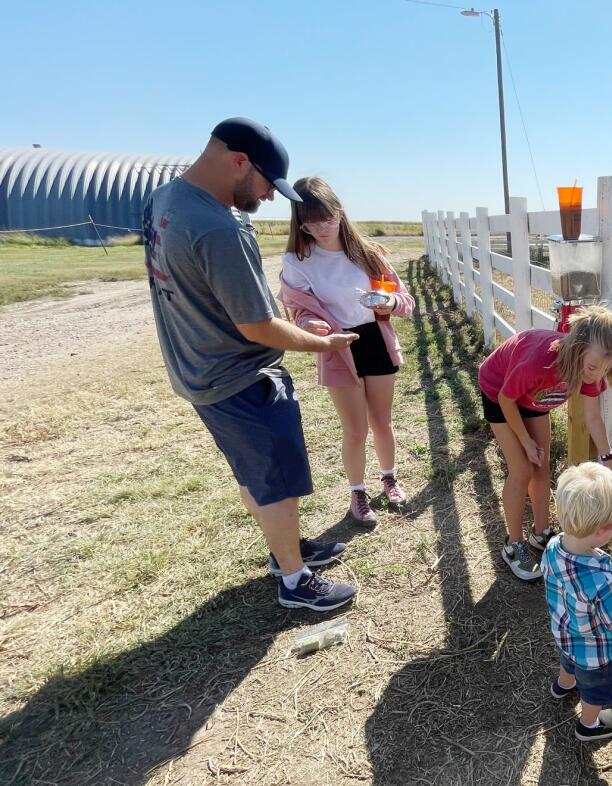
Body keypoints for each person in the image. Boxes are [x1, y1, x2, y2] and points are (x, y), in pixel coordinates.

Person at [143, 117, 358, 612]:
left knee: (254, 473)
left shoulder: (164, 201)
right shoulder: (217, 226)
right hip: (241, 375)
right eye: (266, 185)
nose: (267, 199)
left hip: (199, 370)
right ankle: (294, 579)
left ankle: (286, 552)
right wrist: (321, 344)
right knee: (275, 478)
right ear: (239, 162)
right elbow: (257, 326)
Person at [278, 176, 415, 525]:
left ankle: (389, 479)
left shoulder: (369, 255)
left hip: (375, 340)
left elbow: (405, 303)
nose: (320, 228)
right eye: (310, 222)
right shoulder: (297, 260)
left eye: (326, 218)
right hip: (338, 347)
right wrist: (308, 325)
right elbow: (298, 310)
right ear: (300, 223)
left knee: (382, 421)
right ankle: (357, 492)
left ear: (340, 213)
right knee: (355, 429)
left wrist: (386, 301)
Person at [476, 306, 612, 581]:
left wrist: (609, 460)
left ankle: (540, 532)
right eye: (593, 366)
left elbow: (592, 418)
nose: (597, 374)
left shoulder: (589, 371)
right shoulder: (539, 363)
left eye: (607, 367)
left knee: (541, 466)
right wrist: (525, 440)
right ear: (577, 348)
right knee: (521, 468)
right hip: (499, 392)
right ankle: (514, 543)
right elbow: (507, 400)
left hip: (533, 398)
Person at [542, 462, 612, 742]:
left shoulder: (553, 547)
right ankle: (589, 723)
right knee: (595, 690)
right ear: (603, 529)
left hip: (565, 635)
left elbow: (579, 568)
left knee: (569, 663)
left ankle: (564, 684)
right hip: (599, 654)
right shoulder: (602, 582)